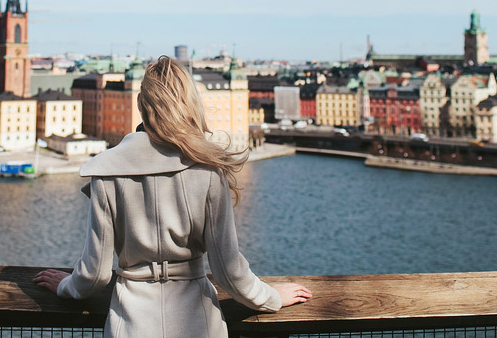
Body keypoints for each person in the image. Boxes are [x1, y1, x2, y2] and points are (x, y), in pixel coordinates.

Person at [34, 55, 312, 337]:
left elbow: (94, 275)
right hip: (197, 323)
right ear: (189, 105)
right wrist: (271, 297)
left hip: (130, 324)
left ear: (142, 106)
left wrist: (65, 285)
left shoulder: (107, 171)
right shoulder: (208, 170)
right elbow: (229, 271)